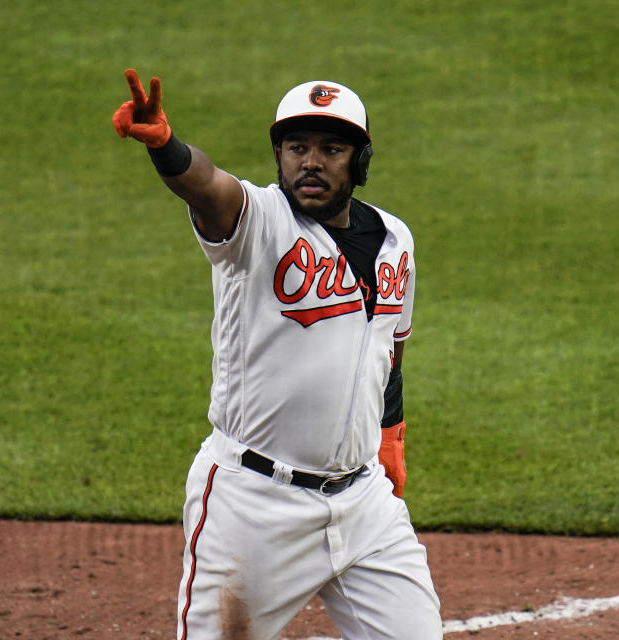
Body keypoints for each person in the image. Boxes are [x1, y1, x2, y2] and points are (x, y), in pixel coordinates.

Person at [113, 69, 442, 639]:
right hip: (253, 508)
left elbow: (390, 350)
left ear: (359, 161)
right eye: (296, 148)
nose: (310, 162)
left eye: (331, 149)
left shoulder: (395, 239)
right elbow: (208, 186)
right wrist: (166, 147)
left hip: (365, 506)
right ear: (278, 156)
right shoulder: (259, 222)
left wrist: (391, 437)